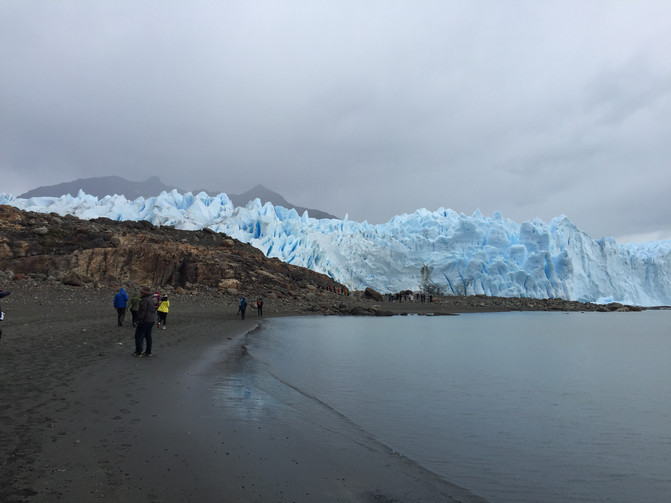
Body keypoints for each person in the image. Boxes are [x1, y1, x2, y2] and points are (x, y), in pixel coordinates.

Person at [133, 286, 157, 357]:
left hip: (145, 320)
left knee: (138, 336)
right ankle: (148, 352)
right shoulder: (152, 299)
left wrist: (138, 320)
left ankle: (139, 352)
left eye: (141, 292)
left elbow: (142, 311)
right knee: (148, 336)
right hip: (151, 320)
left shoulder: (144, 300)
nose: (140, 293)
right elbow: (154, 309)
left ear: (143, 293)